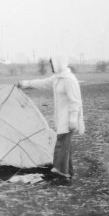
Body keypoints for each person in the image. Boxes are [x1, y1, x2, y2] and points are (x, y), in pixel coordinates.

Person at [17, 55, 85, 185]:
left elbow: (75, 102)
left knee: (61, 146)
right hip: (61, 118)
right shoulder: (58, 78)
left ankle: (61, 176)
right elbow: (42, 83)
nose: (51, 67)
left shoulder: (69, 80)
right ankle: (67, 172)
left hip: (68, 120)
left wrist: (73, 120)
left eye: (52, 64)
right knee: (65, 146)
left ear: (58, 64)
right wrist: (25, 84)